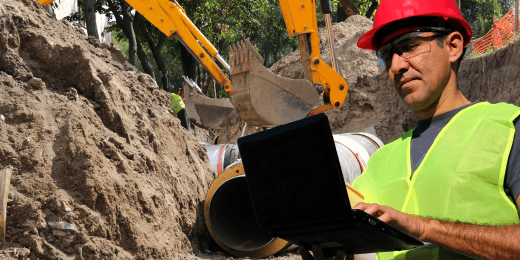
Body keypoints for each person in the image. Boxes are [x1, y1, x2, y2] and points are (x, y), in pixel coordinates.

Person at [333, 0, 520, 259]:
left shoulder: (508, 129)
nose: (396, 66)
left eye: (409, 46)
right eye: (387, 56)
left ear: (453, 46)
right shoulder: (380, 161)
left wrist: (424, 228)